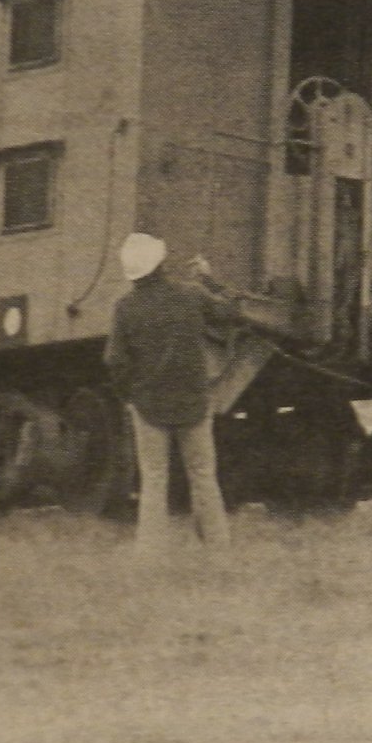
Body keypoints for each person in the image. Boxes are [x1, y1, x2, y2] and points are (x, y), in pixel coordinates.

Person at [103, 232, 232, 555]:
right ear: (160, 263)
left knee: (154, 480)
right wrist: (210, 280)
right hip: (194, 400)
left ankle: (150, 554)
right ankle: (218, 548)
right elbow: (229, 313)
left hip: (149, 406)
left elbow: (114, 361)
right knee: (203, 476)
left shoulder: (125, 308)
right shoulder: (192, 294)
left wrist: (129, 395)